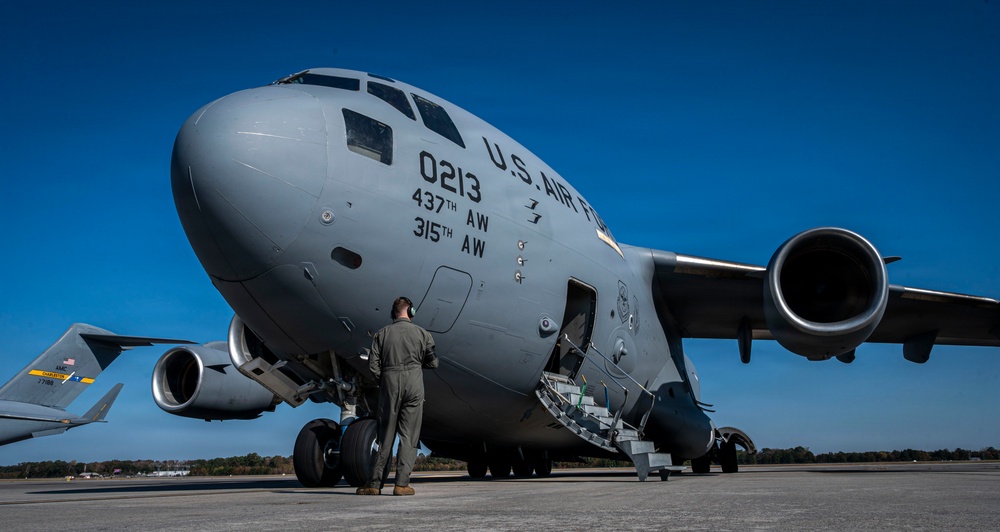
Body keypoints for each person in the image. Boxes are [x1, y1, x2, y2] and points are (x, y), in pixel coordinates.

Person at [357, 297, 438, 496]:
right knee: (409, 437)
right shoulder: (423, 334)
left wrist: (385, 380)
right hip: (414, 384)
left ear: (393, 313)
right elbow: (434, 363)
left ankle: (374, 484)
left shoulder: (381, 334)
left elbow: (373, 366)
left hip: (389, 384)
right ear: (411, 312)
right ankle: (401, 484)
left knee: (385, 437)